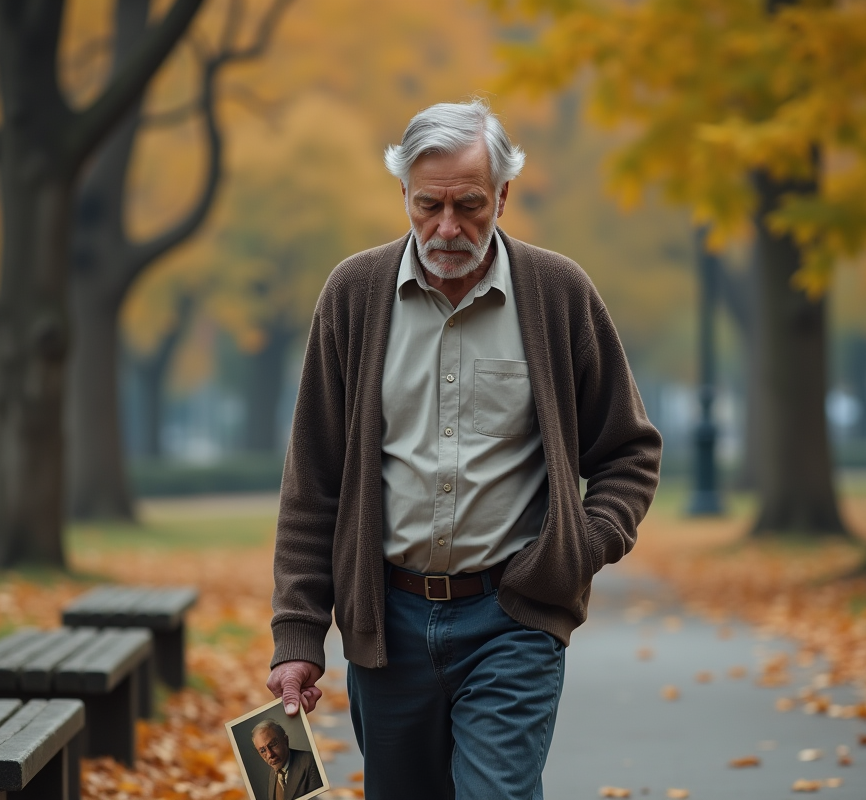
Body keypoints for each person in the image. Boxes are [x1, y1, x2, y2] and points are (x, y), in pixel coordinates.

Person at [265, 98, 662, 800]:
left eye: (470, 205)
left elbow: (629, 451)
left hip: (513, 616)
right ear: (404, 196)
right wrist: (298, 637)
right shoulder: (353, 296)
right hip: (386, 624)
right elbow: (314, 481)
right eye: (429, 206)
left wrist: (577, 547)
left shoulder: (560, 296)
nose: (447, 227)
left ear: (504, 195)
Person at [250, 719, 322, 800]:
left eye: (273, 744)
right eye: (263, 750)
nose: (270, 754)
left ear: (285, 740)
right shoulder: (273, 774)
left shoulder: (309, 761)